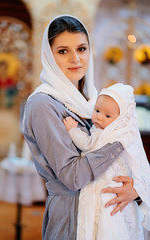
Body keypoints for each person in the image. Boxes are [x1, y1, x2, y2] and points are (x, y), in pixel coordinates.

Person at [22, 15, 139, 240]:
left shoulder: (94, 101)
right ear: (49, 55)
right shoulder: (43, 104)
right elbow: (72, 177)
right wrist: (119, 143)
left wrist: (135, 189)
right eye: (63, 51)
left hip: (109, 213)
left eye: (82, 49)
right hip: (72, 218)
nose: (76, 59)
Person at [63, 83, 150, 240]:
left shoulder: (109, 136)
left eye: (108, 116)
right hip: (112, 191)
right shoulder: (123, 135)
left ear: (122, 119)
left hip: (111, 191)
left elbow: (87, 145)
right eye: (97, 110)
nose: (99, 117)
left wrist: (72, 130)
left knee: (109, 223)